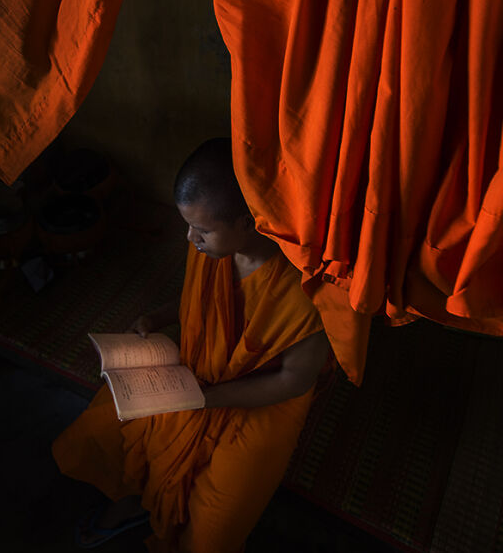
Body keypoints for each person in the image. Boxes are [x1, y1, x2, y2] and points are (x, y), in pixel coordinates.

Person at [52, 137, 329, 552]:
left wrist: (208, 399)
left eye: (200, 229)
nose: (189, 238)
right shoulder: (212, 248)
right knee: (111, 422)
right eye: (189, 225)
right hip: (196, 374)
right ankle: (135, 501)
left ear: (248, 223)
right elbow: (199, 300)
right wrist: (158, 318)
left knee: (214, 527)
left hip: (262, 401)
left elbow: (294, 381)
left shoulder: (307, 288)